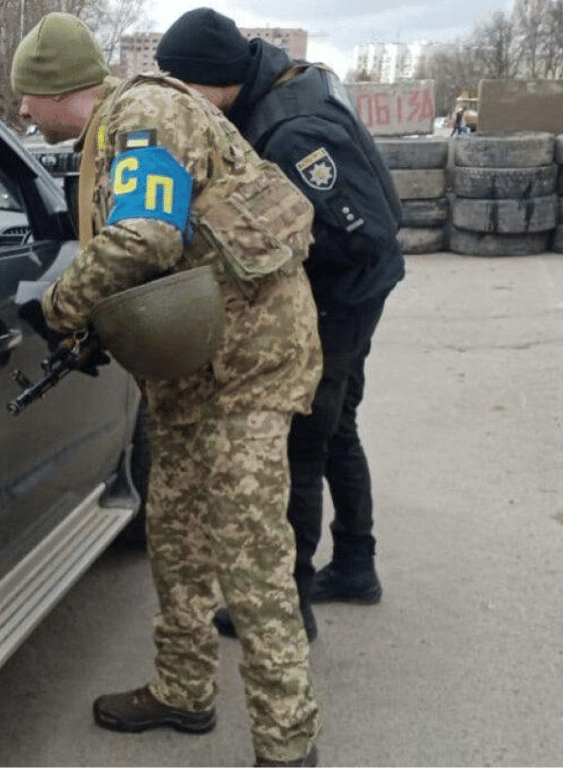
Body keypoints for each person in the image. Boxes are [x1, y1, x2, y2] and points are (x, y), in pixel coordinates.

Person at [10, 13, 322, 768]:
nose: (22, 111)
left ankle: (288, 746)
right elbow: (168, 250)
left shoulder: (143, 117)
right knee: (176, 536)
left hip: (246, 370)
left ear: (59, 92)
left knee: (251, 561)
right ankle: (184, 692)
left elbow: (143, 237)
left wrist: (58, 311)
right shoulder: (124, 124)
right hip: (192, 365)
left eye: (28, 96)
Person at [155, 8, 404, 640]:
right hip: (358, 290)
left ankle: (291, 601)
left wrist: (276, 271)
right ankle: (355, 564)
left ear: (214, 79)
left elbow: (362, 232)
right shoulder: (280, 85)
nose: (180, 101)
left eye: (184, 87)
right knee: (339, 425)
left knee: (301, 439)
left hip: (340, 299)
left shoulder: (290, 131)